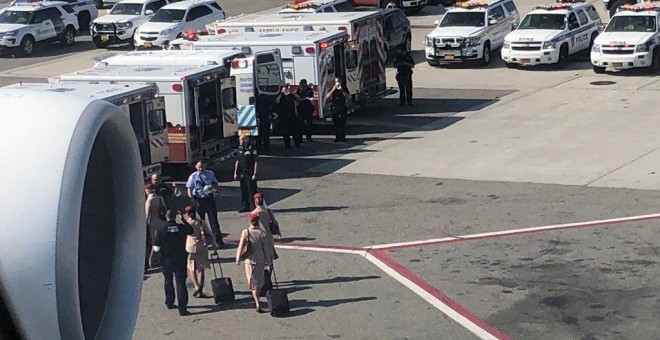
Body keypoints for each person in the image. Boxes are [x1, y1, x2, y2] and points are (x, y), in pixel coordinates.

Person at [152, 210, 194, 316]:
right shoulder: (181, 228)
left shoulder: (161, 231)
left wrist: (153, 258)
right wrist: (183, 219)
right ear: (175, 217)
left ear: (166, 217)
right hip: (180, 258)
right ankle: (182, 308)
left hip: (166, 260)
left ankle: (169, 302)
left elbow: (156, 248)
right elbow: (191, 230)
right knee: (181, 283)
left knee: (168, 281)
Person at [235, 212, 273, 313]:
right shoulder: (262, 233)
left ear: (250, 221)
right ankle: (258, 299)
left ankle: (257, 303)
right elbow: (266, 249)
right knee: (259, 282)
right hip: (260, 260)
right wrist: (268, 261)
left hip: (249, 260)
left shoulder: (245, 232)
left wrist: (238, 258)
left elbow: (241, 246)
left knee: (253, 282)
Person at [183, 205, 218, 299]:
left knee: (191, 268)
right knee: (201, 269)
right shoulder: (201, 222)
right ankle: (201, 290)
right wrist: (214, 248)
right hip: (202, 246)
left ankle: (196, 286)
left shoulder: (188, 223)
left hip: (191, 247)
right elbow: (210, 234)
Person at [186, 160, 224, 247]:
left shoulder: (210, 174)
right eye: (199, 167)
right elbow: (189, 188)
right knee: (200, 222)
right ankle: (202, 242)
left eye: (202, 167)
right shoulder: (193, 176)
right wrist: (191, 198)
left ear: (205, 166)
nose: (200, 169)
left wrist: (213, 188)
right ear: (196, 167)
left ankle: (219, 241)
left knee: (214, 221)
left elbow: (215, 183)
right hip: (199, 200)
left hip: (209, 199)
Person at [251, 192, 280, 291]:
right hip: (268, 237)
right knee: (270, 258)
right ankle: (269, 277)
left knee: (261, 259)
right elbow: (275, 222)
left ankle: (263, 279)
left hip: (259, 238)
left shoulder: (254, 213)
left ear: (255, 201)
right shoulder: (268, 211)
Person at [234, 134, 259, 213]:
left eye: (241, 140)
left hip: (250, 173)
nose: (240, 142)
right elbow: (237, 161)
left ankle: (254, 207)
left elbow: (256, 162)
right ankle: (245, 206)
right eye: (240, 140)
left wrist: (255, 174)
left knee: (252, 190)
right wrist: (235, 173)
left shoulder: (252, 149)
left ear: (246, 140)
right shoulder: (240, 149)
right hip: (242, 173)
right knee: (244, 190)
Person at [274, 83, 302, 149]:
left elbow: (298, 98)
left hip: (292, 115)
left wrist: (291, 92)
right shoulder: (281, 97)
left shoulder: (291, 96)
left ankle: (297, 143)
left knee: (295, 131)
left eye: (287, 87)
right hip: (284, 116)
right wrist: (281, 93)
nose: (286, 89)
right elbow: (277, 102)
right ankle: (287, 145)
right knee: (285, 132)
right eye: (285, 88)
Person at [325, 77, 350, 142]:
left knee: (342, 123)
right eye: (336, 81)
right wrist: (333, 89)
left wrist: (342, 90)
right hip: (334, 107)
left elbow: (348, 96)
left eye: (338, 81)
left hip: (342, 107)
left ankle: (343, 137)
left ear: (341, 82)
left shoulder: (343, 88)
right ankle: (337, 137)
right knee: (336, 123)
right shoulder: (332, 88)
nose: (337, 83)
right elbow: (327, 96)